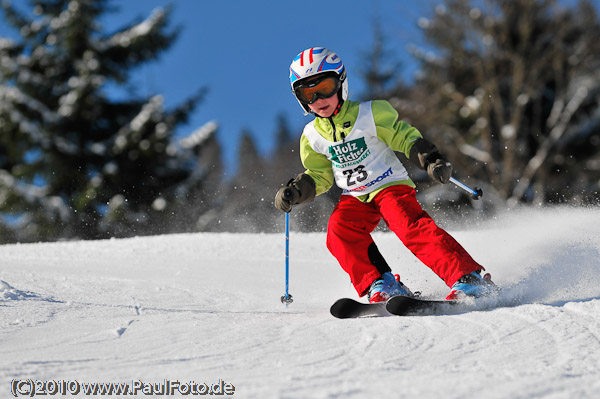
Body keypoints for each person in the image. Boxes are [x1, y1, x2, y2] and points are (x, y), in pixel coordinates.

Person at [274, 47, 495, 303]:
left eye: (325, 87)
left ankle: (469, 278)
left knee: (407, 223)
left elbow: (402, 136)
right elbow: (320, 175)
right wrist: (296, 190)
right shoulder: (312, 136)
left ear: (341, 84)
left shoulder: (370, 113)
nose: (319, 98)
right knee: (339, 229)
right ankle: (382, 283)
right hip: (356, 195)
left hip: (389, 184)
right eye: (308, 93)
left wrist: (430, 159)